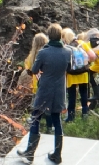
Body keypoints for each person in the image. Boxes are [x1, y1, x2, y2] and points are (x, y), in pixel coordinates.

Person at [17, 23, 70, 164]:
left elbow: (34, 70)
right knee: (57, 120)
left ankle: (30, 152)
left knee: (36, 117)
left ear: (49, 36)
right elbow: (68, 68)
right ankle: (57, 155)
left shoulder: (43, 52)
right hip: (59, 89)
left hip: (45, 88)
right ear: (60, 36)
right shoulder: (67, 52)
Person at [61, 28, 92, 122]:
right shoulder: (82, 43)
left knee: (72, 96)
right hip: (83, 73)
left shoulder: (65, 47)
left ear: (64, 37)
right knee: (83, 94)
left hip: (71, 75)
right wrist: (87, 63)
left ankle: (71, 117)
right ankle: (85, 114)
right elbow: (93, 56)